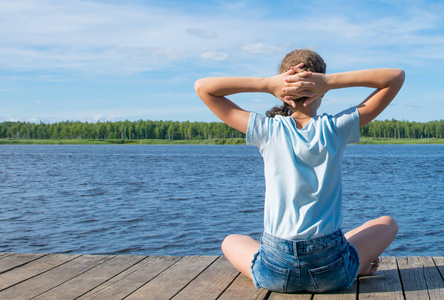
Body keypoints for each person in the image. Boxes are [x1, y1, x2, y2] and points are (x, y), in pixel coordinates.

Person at [194, 49, 404, 293]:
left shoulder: (266, 129)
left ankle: (348, 263)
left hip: (275, 270)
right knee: (387, 223)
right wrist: (330, 82)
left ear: (282, 90)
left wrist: (266, 84)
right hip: (330, 269)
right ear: (320, 90)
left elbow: (203, 87)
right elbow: (396, 77)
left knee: (231, 240)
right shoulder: (336, 128)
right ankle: (353, 267)